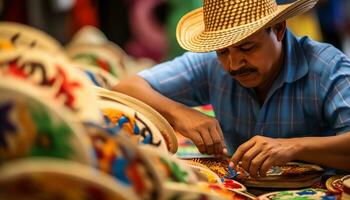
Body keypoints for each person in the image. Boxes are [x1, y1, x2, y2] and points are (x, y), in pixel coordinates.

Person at [114, 0, 350, 176]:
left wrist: (293, 147)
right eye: (223, 51)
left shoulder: (326, 67)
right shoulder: (210, 65)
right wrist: (179, 114)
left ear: (278, 29)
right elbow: (125, 88)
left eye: (247, 48)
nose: (234, 65)